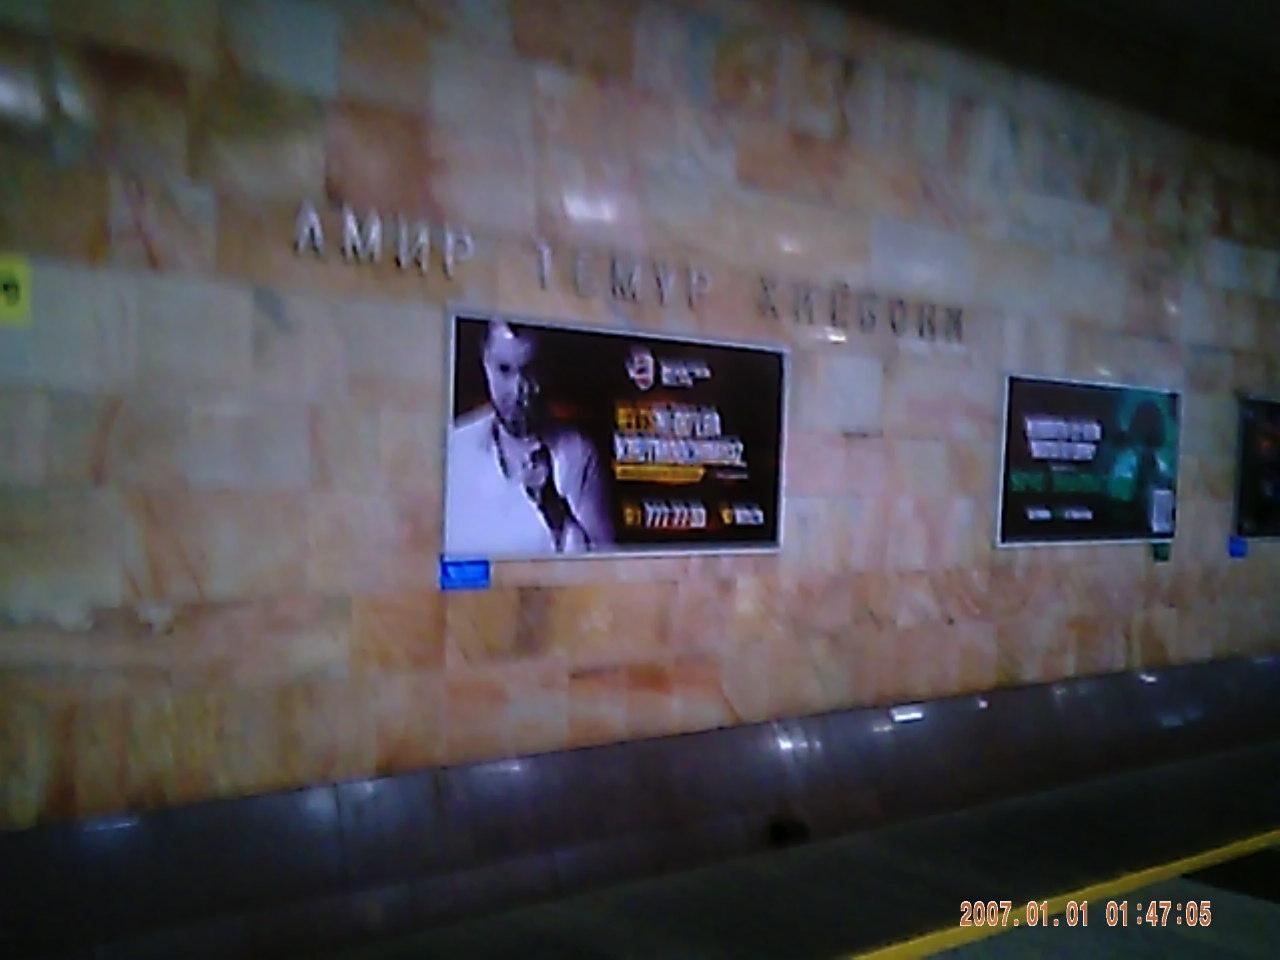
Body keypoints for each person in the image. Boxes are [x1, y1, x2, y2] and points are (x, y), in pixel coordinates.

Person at [445, 320, 613, 556]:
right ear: (485, 363)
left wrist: (553, 508)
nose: (519, 390)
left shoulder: (579, 453)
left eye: (530, 371)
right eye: (504, 370)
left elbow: (605, 564)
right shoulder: (455, 447)